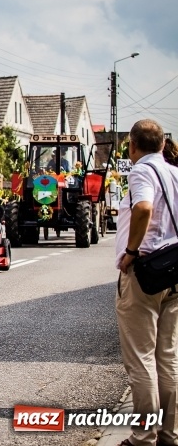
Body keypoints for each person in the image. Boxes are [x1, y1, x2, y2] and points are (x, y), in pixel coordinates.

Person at [116, 119, 178, 446]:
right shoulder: (176, 173)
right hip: (175, 271)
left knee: (141, 359)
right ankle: (169, 435)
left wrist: (130, 251)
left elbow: (143, 207)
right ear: (164, 145)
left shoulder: (141, 171)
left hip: (146, 272)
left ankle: (143, 438)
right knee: (167, 358)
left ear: (133, 146)